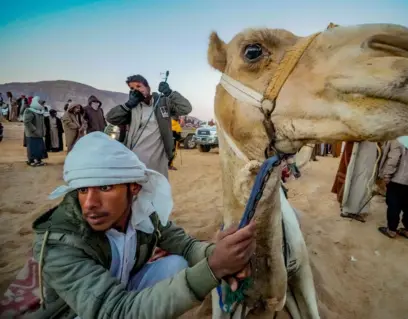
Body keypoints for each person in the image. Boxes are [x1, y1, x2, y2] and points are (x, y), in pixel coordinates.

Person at [28, 132, 255, 318]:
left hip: (120, 292)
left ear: (134, 188)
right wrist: (213, 269)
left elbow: (185, 245)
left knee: (177, 263)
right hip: (79, 312)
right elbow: (114, 312)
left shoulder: (143, 215)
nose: (90, 204)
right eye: (82, 190)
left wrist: (221, 255)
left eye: (105, 188)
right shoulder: (59, 244)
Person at [106, 75, 192, 179]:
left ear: (148, 88)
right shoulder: (131, 108)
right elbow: (111, 118)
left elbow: (186, 108)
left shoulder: (163, 103)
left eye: (139, 86)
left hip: (158, 161)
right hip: (135, 160)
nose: (136, 90)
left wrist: (170, 93)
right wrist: (128, 105)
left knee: (158, 190)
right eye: (132, 88)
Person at [331, 141, 379, 222]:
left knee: (364, 183)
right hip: (359, 156)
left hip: (368, 157)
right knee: (356, 183)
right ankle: (349, 211)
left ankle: (358, 209)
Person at [23, 97, 47, 166]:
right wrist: (34, 130)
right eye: (40, 103)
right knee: (32, 147)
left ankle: (39, 160)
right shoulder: (29, 110)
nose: (41, 104)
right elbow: (27, 122)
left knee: (39, 147)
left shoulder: (40, 111)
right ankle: (31, 161)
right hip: (32, 133)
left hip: (39, 133)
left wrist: (43, 130)